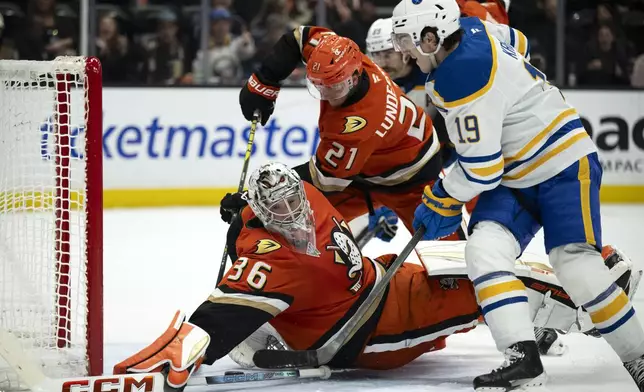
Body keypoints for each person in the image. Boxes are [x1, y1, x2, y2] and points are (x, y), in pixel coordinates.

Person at [113, 163, 638, 389]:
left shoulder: (302, 197)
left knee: (479, 266)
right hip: (371, 329)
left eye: (295, 202)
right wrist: (169, 363)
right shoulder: (270, 258)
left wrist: (242, 217)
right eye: (281, 212)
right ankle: (595, 305)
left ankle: (581, 297)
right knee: (492, 281)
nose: (297, 217)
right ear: (264, 214)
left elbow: (344, 188)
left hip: (387, 276)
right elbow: (217, 321)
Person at [390, 0, 644, 390]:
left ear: (431, 37)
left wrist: (441, 196)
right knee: (484, 251)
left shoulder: (459, 76)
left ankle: (639, 357)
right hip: (517, 173)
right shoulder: (474, 26)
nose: (402, 49)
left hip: (562, 164)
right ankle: (521, 358)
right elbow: (519, 42)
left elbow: (480, 170)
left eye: (407, 39)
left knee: (575, 265)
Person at [237, 25, 465, 244]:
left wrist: (257, 198)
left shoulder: (358, 125)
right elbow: (299, 38)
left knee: (449, 252)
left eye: (334, 86)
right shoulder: (341, 59)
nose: (326, 95)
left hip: (413, 180)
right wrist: (263, 81)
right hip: (361, 172)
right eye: (318, 85)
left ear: (355, 77)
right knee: (291, 229)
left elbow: (323, 180)